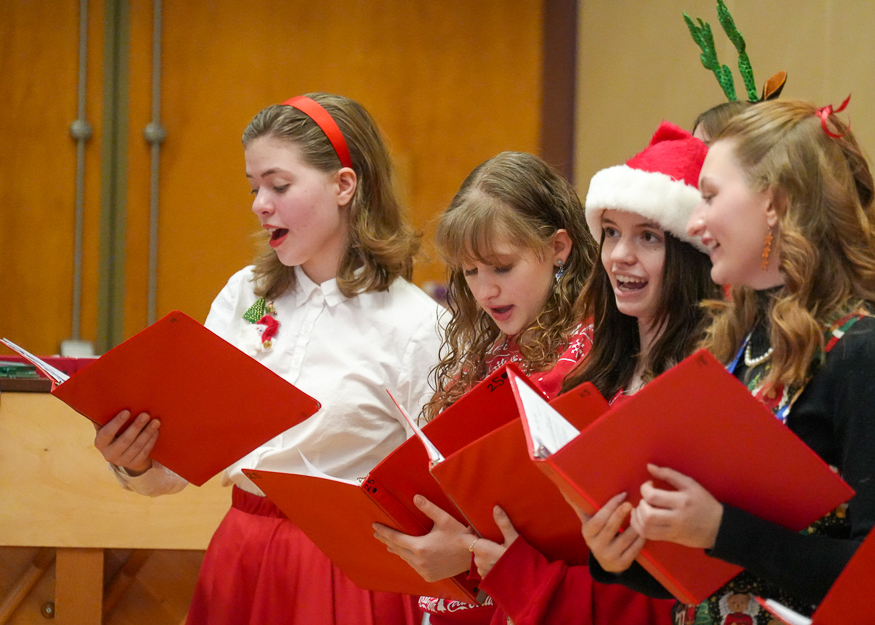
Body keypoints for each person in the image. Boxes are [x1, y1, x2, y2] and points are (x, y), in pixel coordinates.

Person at [93, 93, 445, 625]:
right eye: (255, 187)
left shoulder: (417, 324)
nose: (260, 203)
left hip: (344, 574)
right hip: (243, 552)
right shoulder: (246, 296)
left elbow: (444, 492)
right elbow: (182, 459)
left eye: (279, 185)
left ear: (343, 186)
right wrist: (135, 458)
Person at [583, 99, 875, 625]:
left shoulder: (858, 351)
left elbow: (866, 575)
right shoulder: (731, 341)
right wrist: (617, 555)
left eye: (711, 197)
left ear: (774, 202)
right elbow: (716, 574)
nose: (695, 222)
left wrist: (721, 529)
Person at [467, 122, 717, 625]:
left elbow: (677, 586)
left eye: (647, 236)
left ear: (690, 253)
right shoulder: (591, 375)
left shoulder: (702, 389)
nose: (620, 254)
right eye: (611, 234)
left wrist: (523, 573)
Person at [372, 150, 597, 624]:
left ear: (559, 248)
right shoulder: (489, 348)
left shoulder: (595, 349)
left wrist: (469, 552)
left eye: (501, 267)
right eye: (470, 272)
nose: (484, 291)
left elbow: (568, 526)